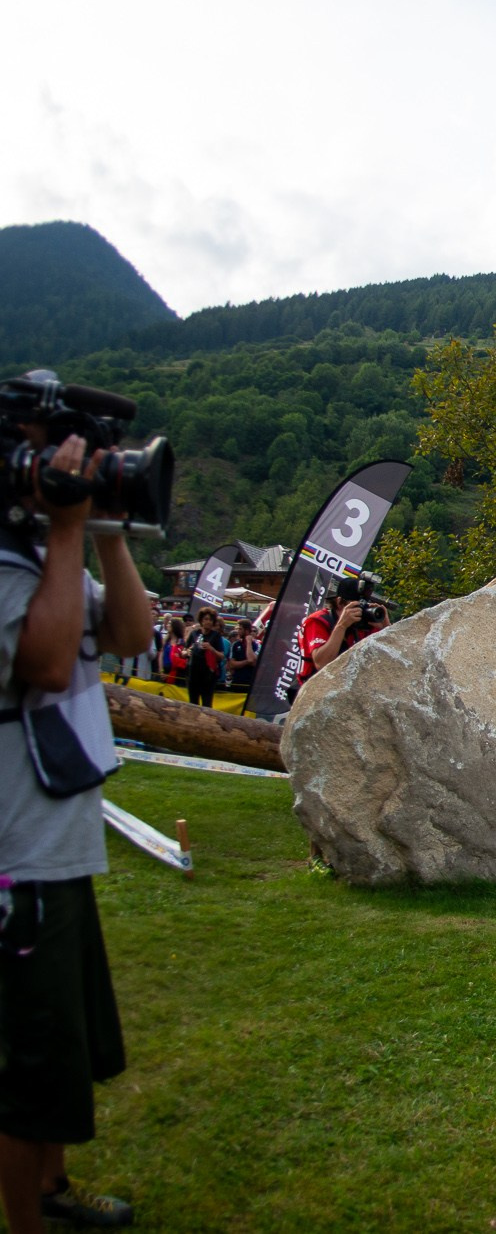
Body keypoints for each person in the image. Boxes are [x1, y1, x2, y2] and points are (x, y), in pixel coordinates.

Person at [0, 423, 153, 1231]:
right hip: (14, 855)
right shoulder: (8, 565)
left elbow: (129, 635)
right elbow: (50, 663)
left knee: (64, 1044)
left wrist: (104, 535)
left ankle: (53, 1191)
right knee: (29, 1057)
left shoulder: (42, 556)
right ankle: (27, 1218)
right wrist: (66, 530)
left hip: (56, 845)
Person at [293, 577, 389, 697]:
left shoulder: (366, 624)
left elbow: (392, 663)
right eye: (355, 606)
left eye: (364, 606)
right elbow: (322, 663)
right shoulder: (318, 621)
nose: (360, 612)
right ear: (339, 603)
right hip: (314, 692)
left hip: (348, 693)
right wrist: (342, 626)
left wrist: (387, 629)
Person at [183, 607, 227, 708]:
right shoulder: (194, 634)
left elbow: (221, 656)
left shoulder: (216, 636)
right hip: (192, 673)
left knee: (206, 704)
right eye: (206, 619)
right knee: (193, 703)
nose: (208, 622)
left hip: (208, 676)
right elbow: (184, 651)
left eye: (210, 620)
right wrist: (187, 652)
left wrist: (211, 648)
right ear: (201, 621)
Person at [223, 620, 258, 693]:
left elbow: (253, 661)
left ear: (247, 630)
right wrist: (246, 662)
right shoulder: (235, 645)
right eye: (237, 629)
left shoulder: (256, 645)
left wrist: (248, 642)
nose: (238, 631)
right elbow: (232, 664)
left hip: (250, 682)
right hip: (237, 681)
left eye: (240, 629)